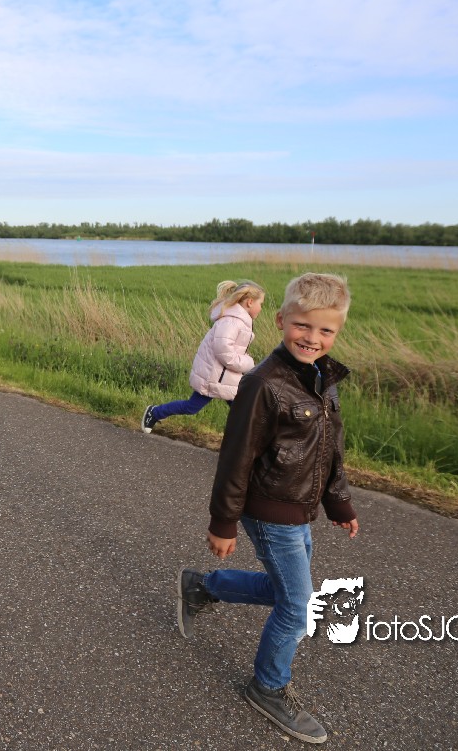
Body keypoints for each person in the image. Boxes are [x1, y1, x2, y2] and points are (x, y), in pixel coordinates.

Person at [176, 272, 358, 745]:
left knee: (288, 593)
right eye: (302, 325)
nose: (312, 337)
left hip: (300, 507)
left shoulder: (323, 379)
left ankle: (202, 587)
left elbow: (329, 448)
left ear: (337, 331)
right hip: (268, 509)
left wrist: (338, 501)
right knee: (298, 606)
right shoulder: (262, 384)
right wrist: (223, 521)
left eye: (325, 330)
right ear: (280, 321)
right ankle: (268, 686)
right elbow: (236, 456)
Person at [141, 280, 265, 433]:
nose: (261, 308)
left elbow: (233, 351)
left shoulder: (240, 321)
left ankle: (248, 441)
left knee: (242, 410)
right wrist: (248, 363)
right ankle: (154, 412)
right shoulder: (232, 322)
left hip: (226, 377)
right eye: (261, 304)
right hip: (213, 376)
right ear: (250, 302)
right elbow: (224, 352)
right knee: (192, 407)